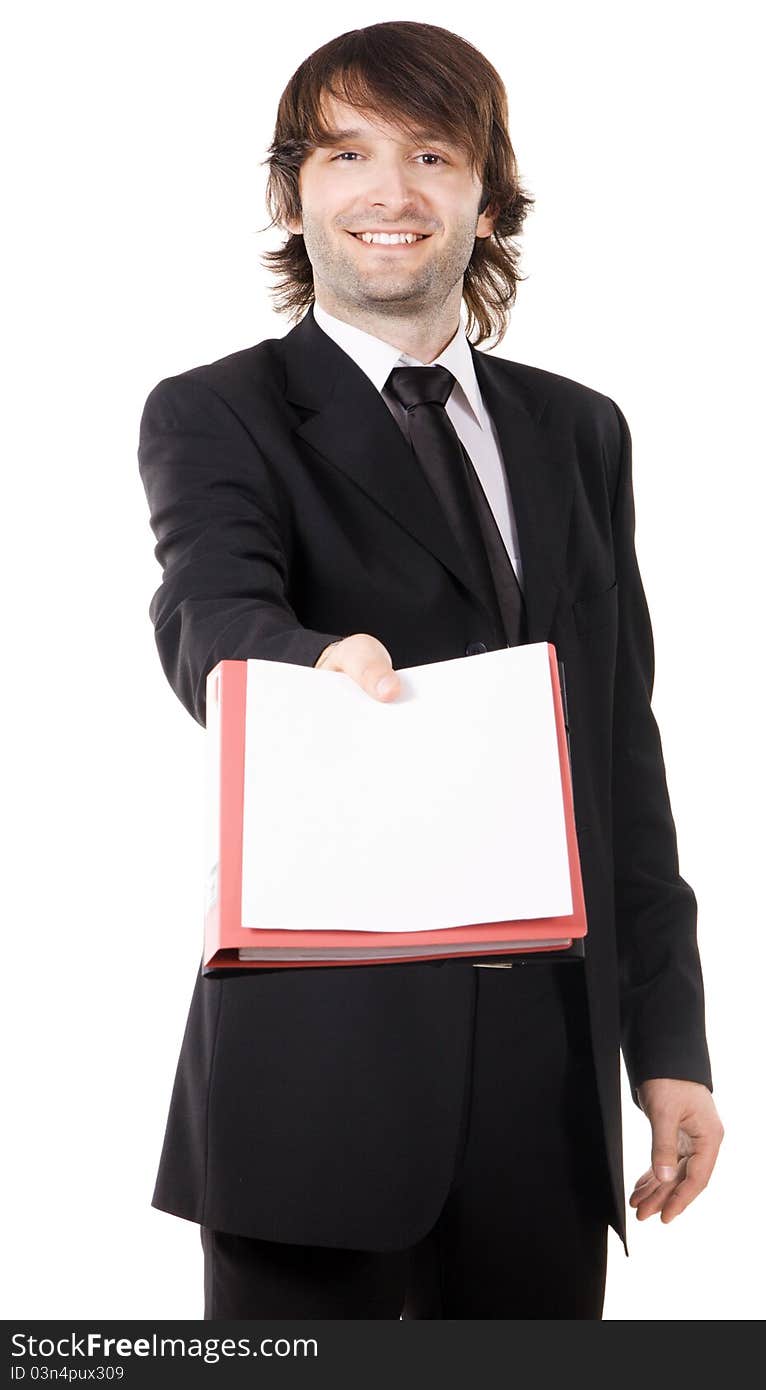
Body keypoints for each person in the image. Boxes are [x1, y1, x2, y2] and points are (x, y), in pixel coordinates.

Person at [137, 20, 724, 1320]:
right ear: (293, 194)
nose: (388, 192)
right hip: (318, 1079)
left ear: (488, 194)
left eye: (431, 153)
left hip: (547, 1095)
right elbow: (207, 610)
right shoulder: (216, 410)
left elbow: (619, 740)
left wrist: (666, 1043)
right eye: (345, 153)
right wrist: (305, 666)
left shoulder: (579, 429)